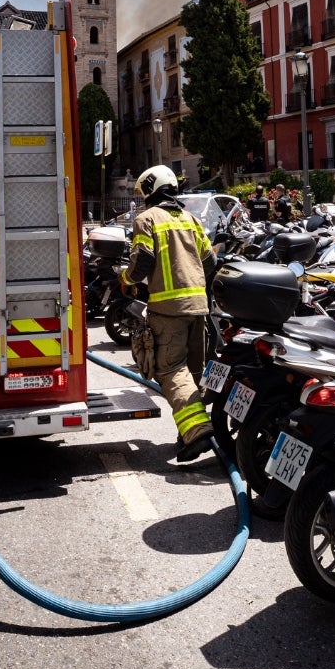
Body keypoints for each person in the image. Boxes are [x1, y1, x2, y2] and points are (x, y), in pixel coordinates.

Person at [128, 165, 217, 464]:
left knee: (169, 371)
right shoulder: (191, 220)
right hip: (198, 306)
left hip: (168, 310)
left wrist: (126, 281)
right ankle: (187, 434)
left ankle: (197, 432)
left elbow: (143, 261)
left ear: (151, 191)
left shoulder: (147, 219)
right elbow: (210, 261)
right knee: (192, 372)